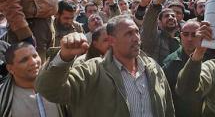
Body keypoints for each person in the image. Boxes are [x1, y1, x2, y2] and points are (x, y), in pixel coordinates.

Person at [35, 15, 175, 117]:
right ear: (111, 40)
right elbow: (50, 90)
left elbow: (168, 109)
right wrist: (64, 58)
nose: (136, 38)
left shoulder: (153, 68)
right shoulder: (92, 71)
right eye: (128, 33)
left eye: (137, 32)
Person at [0, 42, 66, 116]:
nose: (33, 62)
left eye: (35, 56)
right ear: (10, 69)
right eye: (24, 60)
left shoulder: (57, 86)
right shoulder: (3, 97)